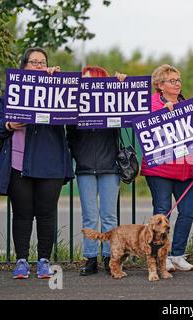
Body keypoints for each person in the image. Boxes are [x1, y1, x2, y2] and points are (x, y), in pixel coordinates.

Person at [0, 48, 73, 279]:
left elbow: (76, 113)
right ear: (23, 66)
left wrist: (59, 84)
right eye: (33, 62)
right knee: (22, 214)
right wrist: (8, 125)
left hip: (50, 164)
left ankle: (44, 261)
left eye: (42, 62)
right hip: (18, 164)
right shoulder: (12, 93)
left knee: (47, 214)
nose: (37, 66)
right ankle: (22, 261)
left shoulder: (58, 89)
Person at [141, 64, 193, 271]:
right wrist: (163, 113)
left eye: (178, 80)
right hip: (159, 168)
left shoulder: (186, 105)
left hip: (185, 168)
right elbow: (143, 126)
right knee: (162, 212)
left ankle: (177, 254)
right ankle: (161, 256)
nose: (177, 84)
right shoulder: (150, 104)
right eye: (172, 80)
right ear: (159, 85)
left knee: (188, 211)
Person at [66, 66, 126, 276]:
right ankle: (91, 258)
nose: (85, 83)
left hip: (110, 166)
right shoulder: (75, 106)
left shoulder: (112, 103)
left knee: (109, 217)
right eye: (83, 80)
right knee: (89, 216)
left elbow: (130, 113)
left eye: (89, 79)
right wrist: (79, 155)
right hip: (85, 169)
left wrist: (120, 86)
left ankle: (111, 257)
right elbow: (70, 136)